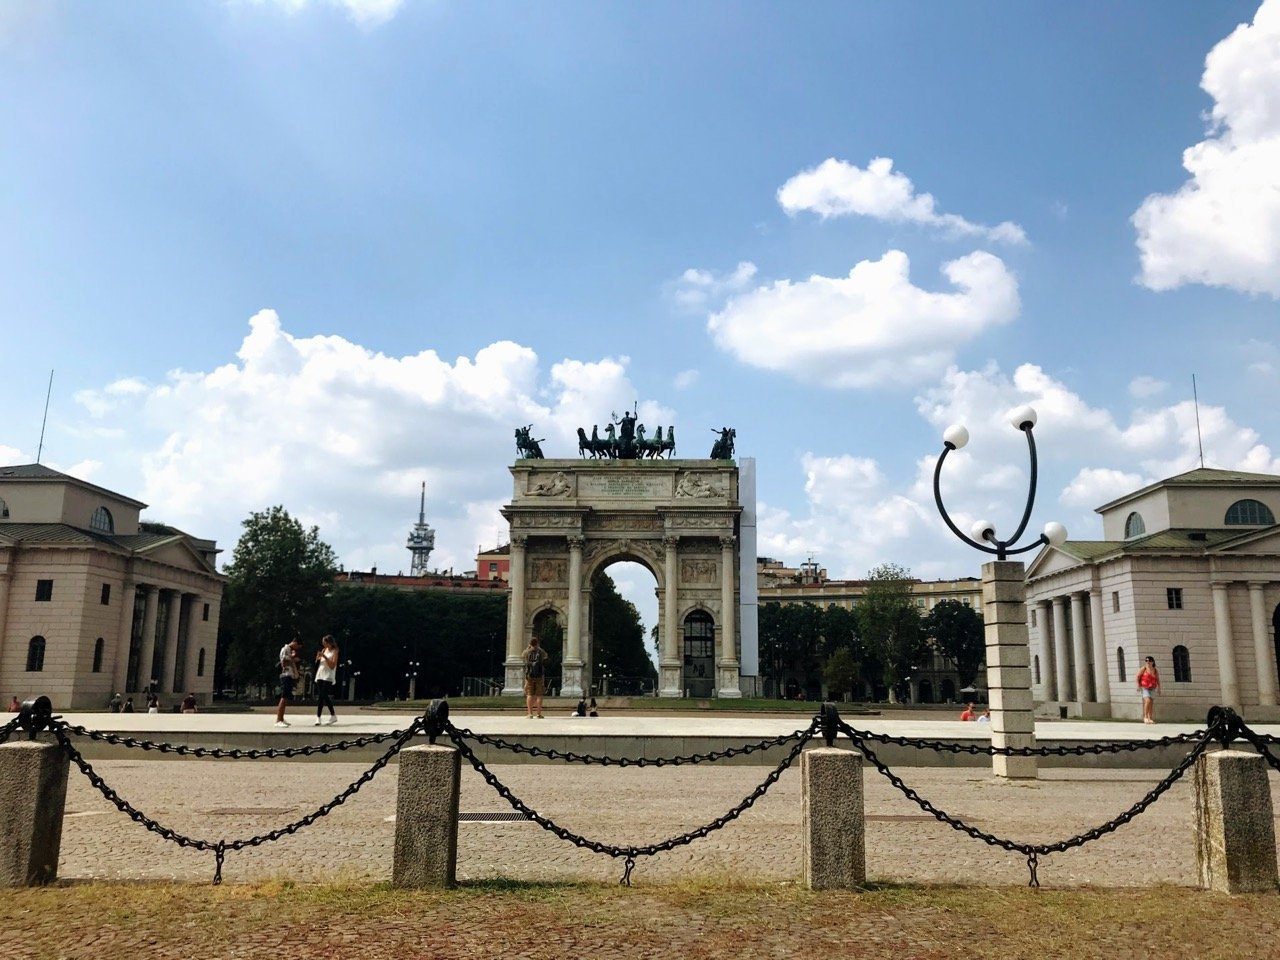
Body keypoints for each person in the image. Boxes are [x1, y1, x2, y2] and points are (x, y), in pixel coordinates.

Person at [313, 635, 339, 726]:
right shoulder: (324, 650)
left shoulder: (335, 651)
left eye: (325, 642)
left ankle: (332, 715)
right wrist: (318, 658)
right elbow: (318, 663)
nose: (323, 644)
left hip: (328, 675)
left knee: (323, 694)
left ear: (329, 642)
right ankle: (318, 717)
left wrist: (325, 656)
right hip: (320, 674)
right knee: (321, 695)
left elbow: (332, 665)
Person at [275, 638, 301, 728]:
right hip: (285, 674)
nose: (297, 648)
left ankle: (281, 718)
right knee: (284, 697)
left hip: (289, 675)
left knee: (286, 698)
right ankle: (278, 719)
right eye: (297, 646)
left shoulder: (289, 650)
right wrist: (293, 659)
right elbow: (283, 662)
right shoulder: (286, 649)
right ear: (294, 643)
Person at [522, 635, 548, 719]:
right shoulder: (540, 652)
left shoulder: (527, 652)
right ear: (537, 644)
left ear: (530, 643)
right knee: (539, 695)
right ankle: (539, 714)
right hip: (539, 675)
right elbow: (546, 656)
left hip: (529, 676)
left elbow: (522, 655)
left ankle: (530, 714)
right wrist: (538, 648)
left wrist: (528, 647)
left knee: (529, 694)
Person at [1137, 656, 1161, 724]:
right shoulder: (1143, 669)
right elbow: (1138, 676)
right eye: (1146, 660)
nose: (1147, 662)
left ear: (1152, 662)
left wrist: (1159, 688)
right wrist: (1138, 685)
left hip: (1152, 688)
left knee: (1151, 703)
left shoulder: (1155, 670)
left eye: (1149, 660)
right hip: (1145, 687)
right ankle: (1145, 717)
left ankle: (1150, 717)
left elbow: (1157, 679)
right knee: (1147, 701)